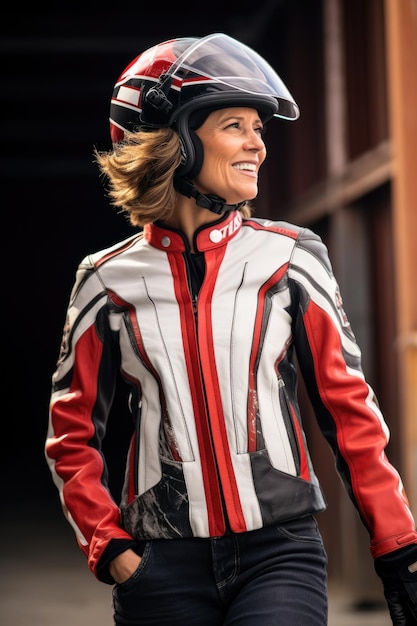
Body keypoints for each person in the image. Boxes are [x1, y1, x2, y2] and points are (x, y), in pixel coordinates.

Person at [45, 32, 417, 625]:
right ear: (175, 142)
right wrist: (112, 550)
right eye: (234, 126)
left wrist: (398, 547)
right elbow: (71, 436)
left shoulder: (292, 257)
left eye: (259, 128)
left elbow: (349, 413)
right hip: (159, 565)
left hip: (281, 552)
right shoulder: (105, 279)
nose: (257, 145)